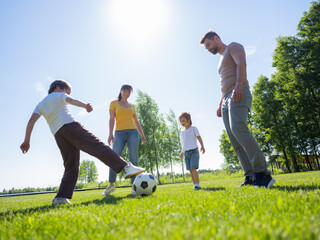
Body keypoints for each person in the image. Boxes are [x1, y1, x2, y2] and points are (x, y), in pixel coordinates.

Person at [20, 80, 145, 206]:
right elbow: (71, 100)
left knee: (71, 166)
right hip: (70, 126)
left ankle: (60, 198)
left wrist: (26, 140)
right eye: (66, 91)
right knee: (97, 146)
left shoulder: (40, 104)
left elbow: (31, 120)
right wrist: (85, 106)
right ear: (57, 87)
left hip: (58, 134)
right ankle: (126, 167)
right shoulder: (59, 94)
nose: (66, 93)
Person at [200, 30, 276, 188]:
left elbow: (242, 64)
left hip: (238, 92)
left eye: (208, 44)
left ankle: (263, 173)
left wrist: (239, 85)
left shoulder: (233, 47)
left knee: (239, 128)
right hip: (227, 97)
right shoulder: (220, 61)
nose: (207, 48)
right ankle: (250, 176)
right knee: (234, 139)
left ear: (216, 38)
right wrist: (220, 103)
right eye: (205, 47)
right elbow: (224, 83)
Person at [102, 84, 146, 196]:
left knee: (134, 159)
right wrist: (110, 134)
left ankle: (134, 186)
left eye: (129, 92)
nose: (127, 94)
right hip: (119, 134)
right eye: (125, 91)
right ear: (121, 91)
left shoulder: (132, 105)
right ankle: (111, 185)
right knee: (114, 157)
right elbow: (111, 119)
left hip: (133, 133)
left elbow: (136, 121)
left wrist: (142, 134)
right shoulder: (114, 103)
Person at [179, 112, 205, 190]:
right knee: (190, 170)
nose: (182, 123)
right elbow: (183, 143)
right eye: (181, 121)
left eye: (183, 121)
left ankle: (197, 184)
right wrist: (182, 151)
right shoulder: (182, 132)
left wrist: (202, 146)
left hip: (194, 151)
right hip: (186, 152)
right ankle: (195, 185)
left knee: (193, 168)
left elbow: (199, 137)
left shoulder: (194, 128)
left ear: (189, 120)